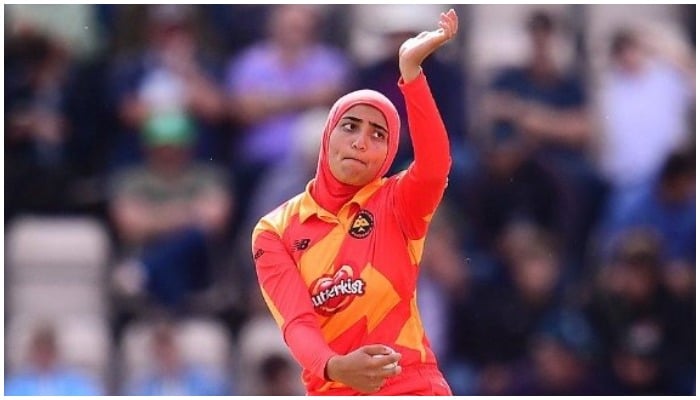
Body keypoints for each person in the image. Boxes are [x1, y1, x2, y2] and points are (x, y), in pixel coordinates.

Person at [251, 9, 458, 395]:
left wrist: (411, 75)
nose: (361, 142)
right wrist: (335, 367)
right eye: (350, 127)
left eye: (378, 134)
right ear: (327, 136)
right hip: (334, 389)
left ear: (388, 153)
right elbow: (296, 322)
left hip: (412, 385)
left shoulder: (397, 202)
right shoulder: (274, 230)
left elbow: (434, 167)